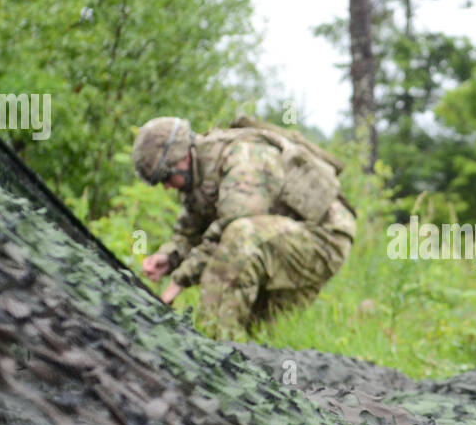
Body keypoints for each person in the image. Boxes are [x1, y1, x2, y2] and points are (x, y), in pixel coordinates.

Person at [132, 114, 355, 339]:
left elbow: (233, 227)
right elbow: (190, 233)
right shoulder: (197, 177)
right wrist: (169, 258)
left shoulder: (244, 156)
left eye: (165, 177)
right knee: (256, 333)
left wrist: (179, 281)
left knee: (238, 241)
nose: (167, 187)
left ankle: (213, 356)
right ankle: (226, 350)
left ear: (182, 159)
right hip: (278, 237)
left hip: (323, 238)